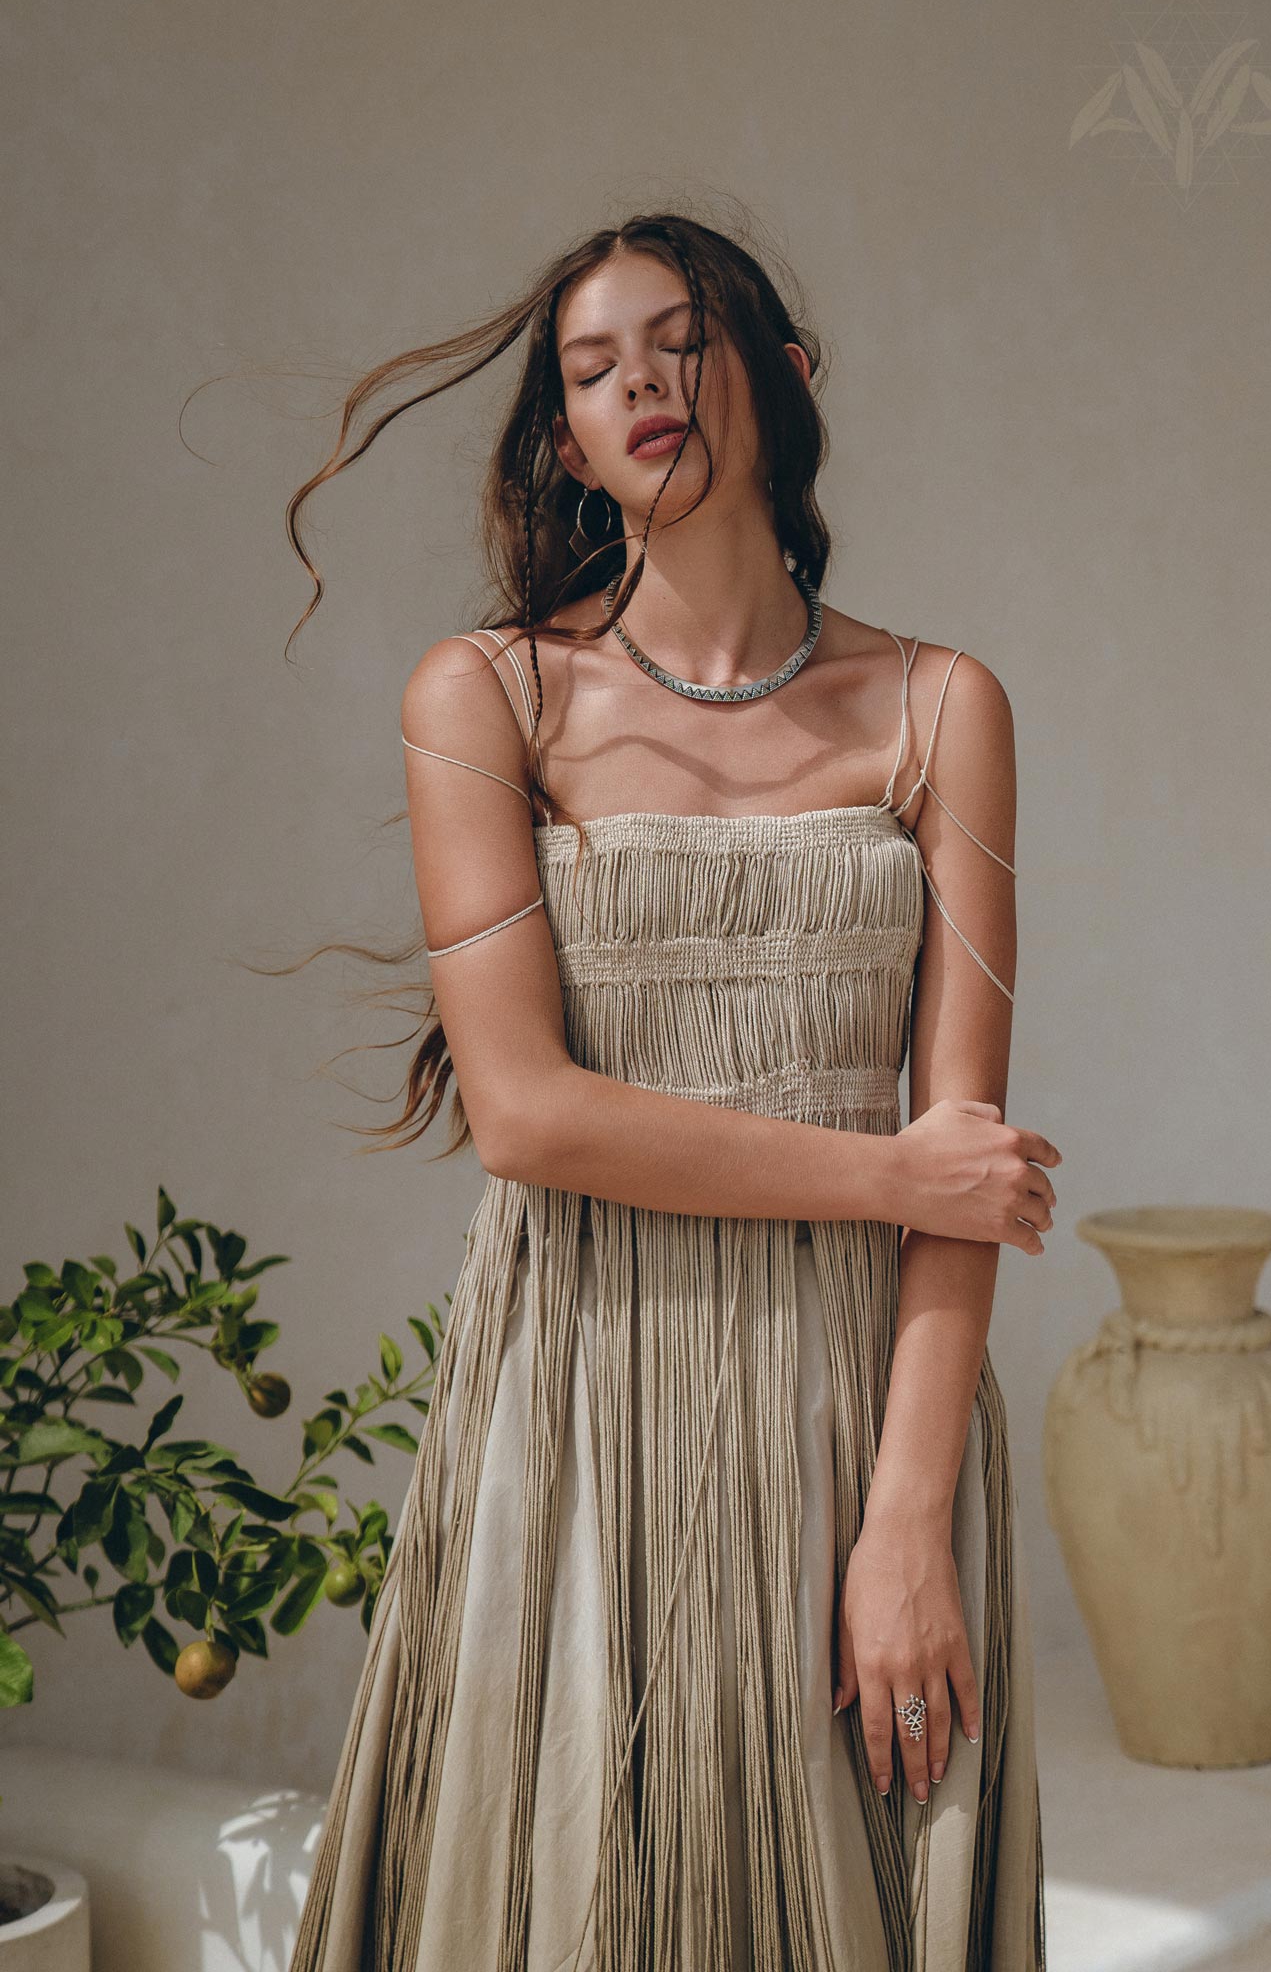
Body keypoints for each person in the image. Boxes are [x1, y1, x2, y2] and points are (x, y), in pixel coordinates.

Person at [285, 209, 1060, 1972]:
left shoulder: (942, 708)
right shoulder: (487, 699)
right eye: (589, 364)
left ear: (782, 375)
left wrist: (908, 1528)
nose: (638, 379)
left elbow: (966, 1130)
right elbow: (530, 1118)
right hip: (587, 1392)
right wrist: (896, 1179)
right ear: (564, 439)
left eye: (679, 337)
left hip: (864, 1409)